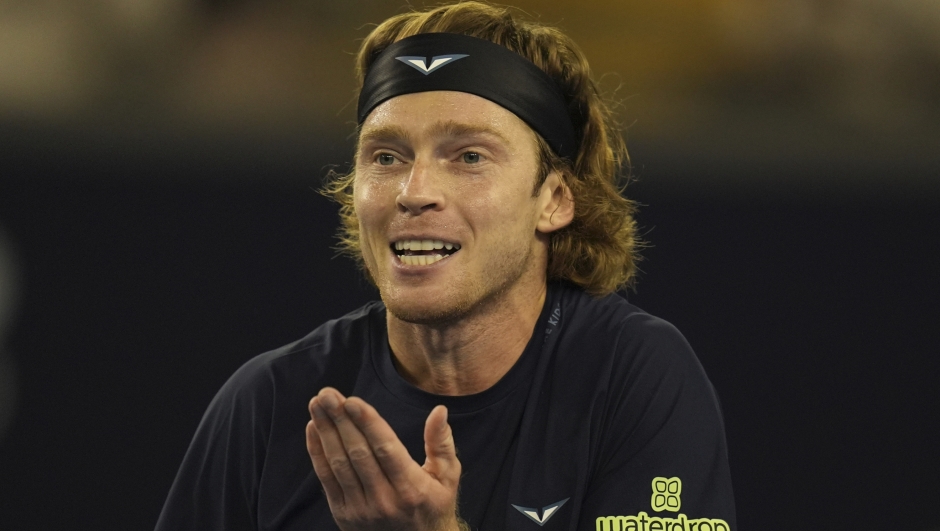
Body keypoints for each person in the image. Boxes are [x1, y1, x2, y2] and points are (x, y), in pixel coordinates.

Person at [155, 2, 735, 530]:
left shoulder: (633, 377)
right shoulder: (269, 402)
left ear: (555, 199)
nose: (414, 190)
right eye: (386, 156)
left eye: (469, 156)